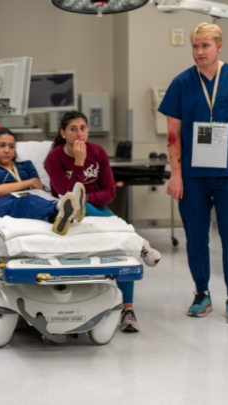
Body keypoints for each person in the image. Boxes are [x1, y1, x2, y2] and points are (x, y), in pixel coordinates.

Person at [158, 23, 228, 324]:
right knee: (196, 236)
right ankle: (201, 293)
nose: (199, 52)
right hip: (192, 175)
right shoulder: (181, 83)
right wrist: (175, 174)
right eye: (195, 46)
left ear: (219, 46)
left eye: (205, 46)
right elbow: (173, 134)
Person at [44, 110, 161, 333]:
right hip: (67, 212)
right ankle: (141, 244)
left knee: (123, 250)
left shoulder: (98, 152)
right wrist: (78, 163)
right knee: (79, 205)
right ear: (63, 133)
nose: (79, 133)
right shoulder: (55, 158)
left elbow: (110, 191)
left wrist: (89, 199)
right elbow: (65, 194)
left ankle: (128, 311)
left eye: (83, 128)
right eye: (73, 129)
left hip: (95, 208)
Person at [0, 128, 81, 235]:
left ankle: (58, 217)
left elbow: (39, 188)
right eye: (2, 146)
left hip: (27, 200)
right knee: (28, 201)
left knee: (32, 201)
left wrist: (34, 184)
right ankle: (61, 205)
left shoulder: (26, 165)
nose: (7, 150)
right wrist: (28, 182)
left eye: (11, 146)